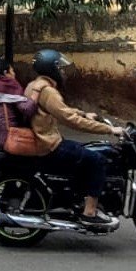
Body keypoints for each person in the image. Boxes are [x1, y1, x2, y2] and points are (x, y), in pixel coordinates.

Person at [24, 49, 122, 231]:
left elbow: (62, 110)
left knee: (82, 156)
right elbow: (70, 120)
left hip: (43, 141)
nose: (62, 72)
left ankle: (77, 199)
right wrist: (109, 129)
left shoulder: (35, 86)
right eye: (59, 68)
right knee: (97, 160)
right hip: (49, 145)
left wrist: (84, 113)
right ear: (51, 69)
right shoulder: (48, 91)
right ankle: (90, 213)